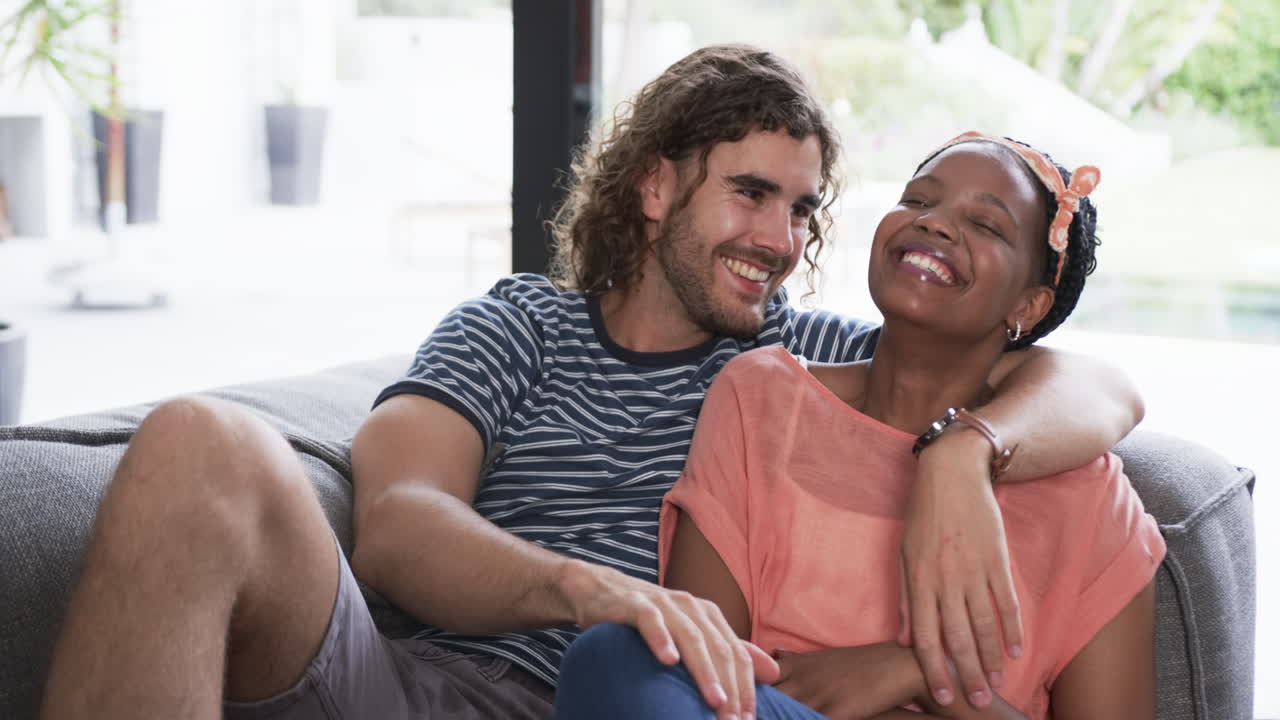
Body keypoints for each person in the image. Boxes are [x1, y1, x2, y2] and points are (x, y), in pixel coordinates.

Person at [39, 47, 1142, 720]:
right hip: (427, 690)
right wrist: (591, 591)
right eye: (751, 195)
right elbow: (398, 525)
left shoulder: (802, 360)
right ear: (655, 188)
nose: (780, 238)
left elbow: (1086, 385)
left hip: (645, 701)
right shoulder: (517, 326)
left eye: (802, 211)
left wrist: (964, 448)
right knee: (196, 444)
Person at [554, 132, 1164, 720]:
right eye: (918, 199)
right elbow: (705, 671)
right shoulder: (761, 396)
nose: (934, 221)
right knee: (622, 654)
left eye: (986, 225)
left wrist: (926, 678)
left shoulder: (1092, 500)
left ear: (1027, 307)